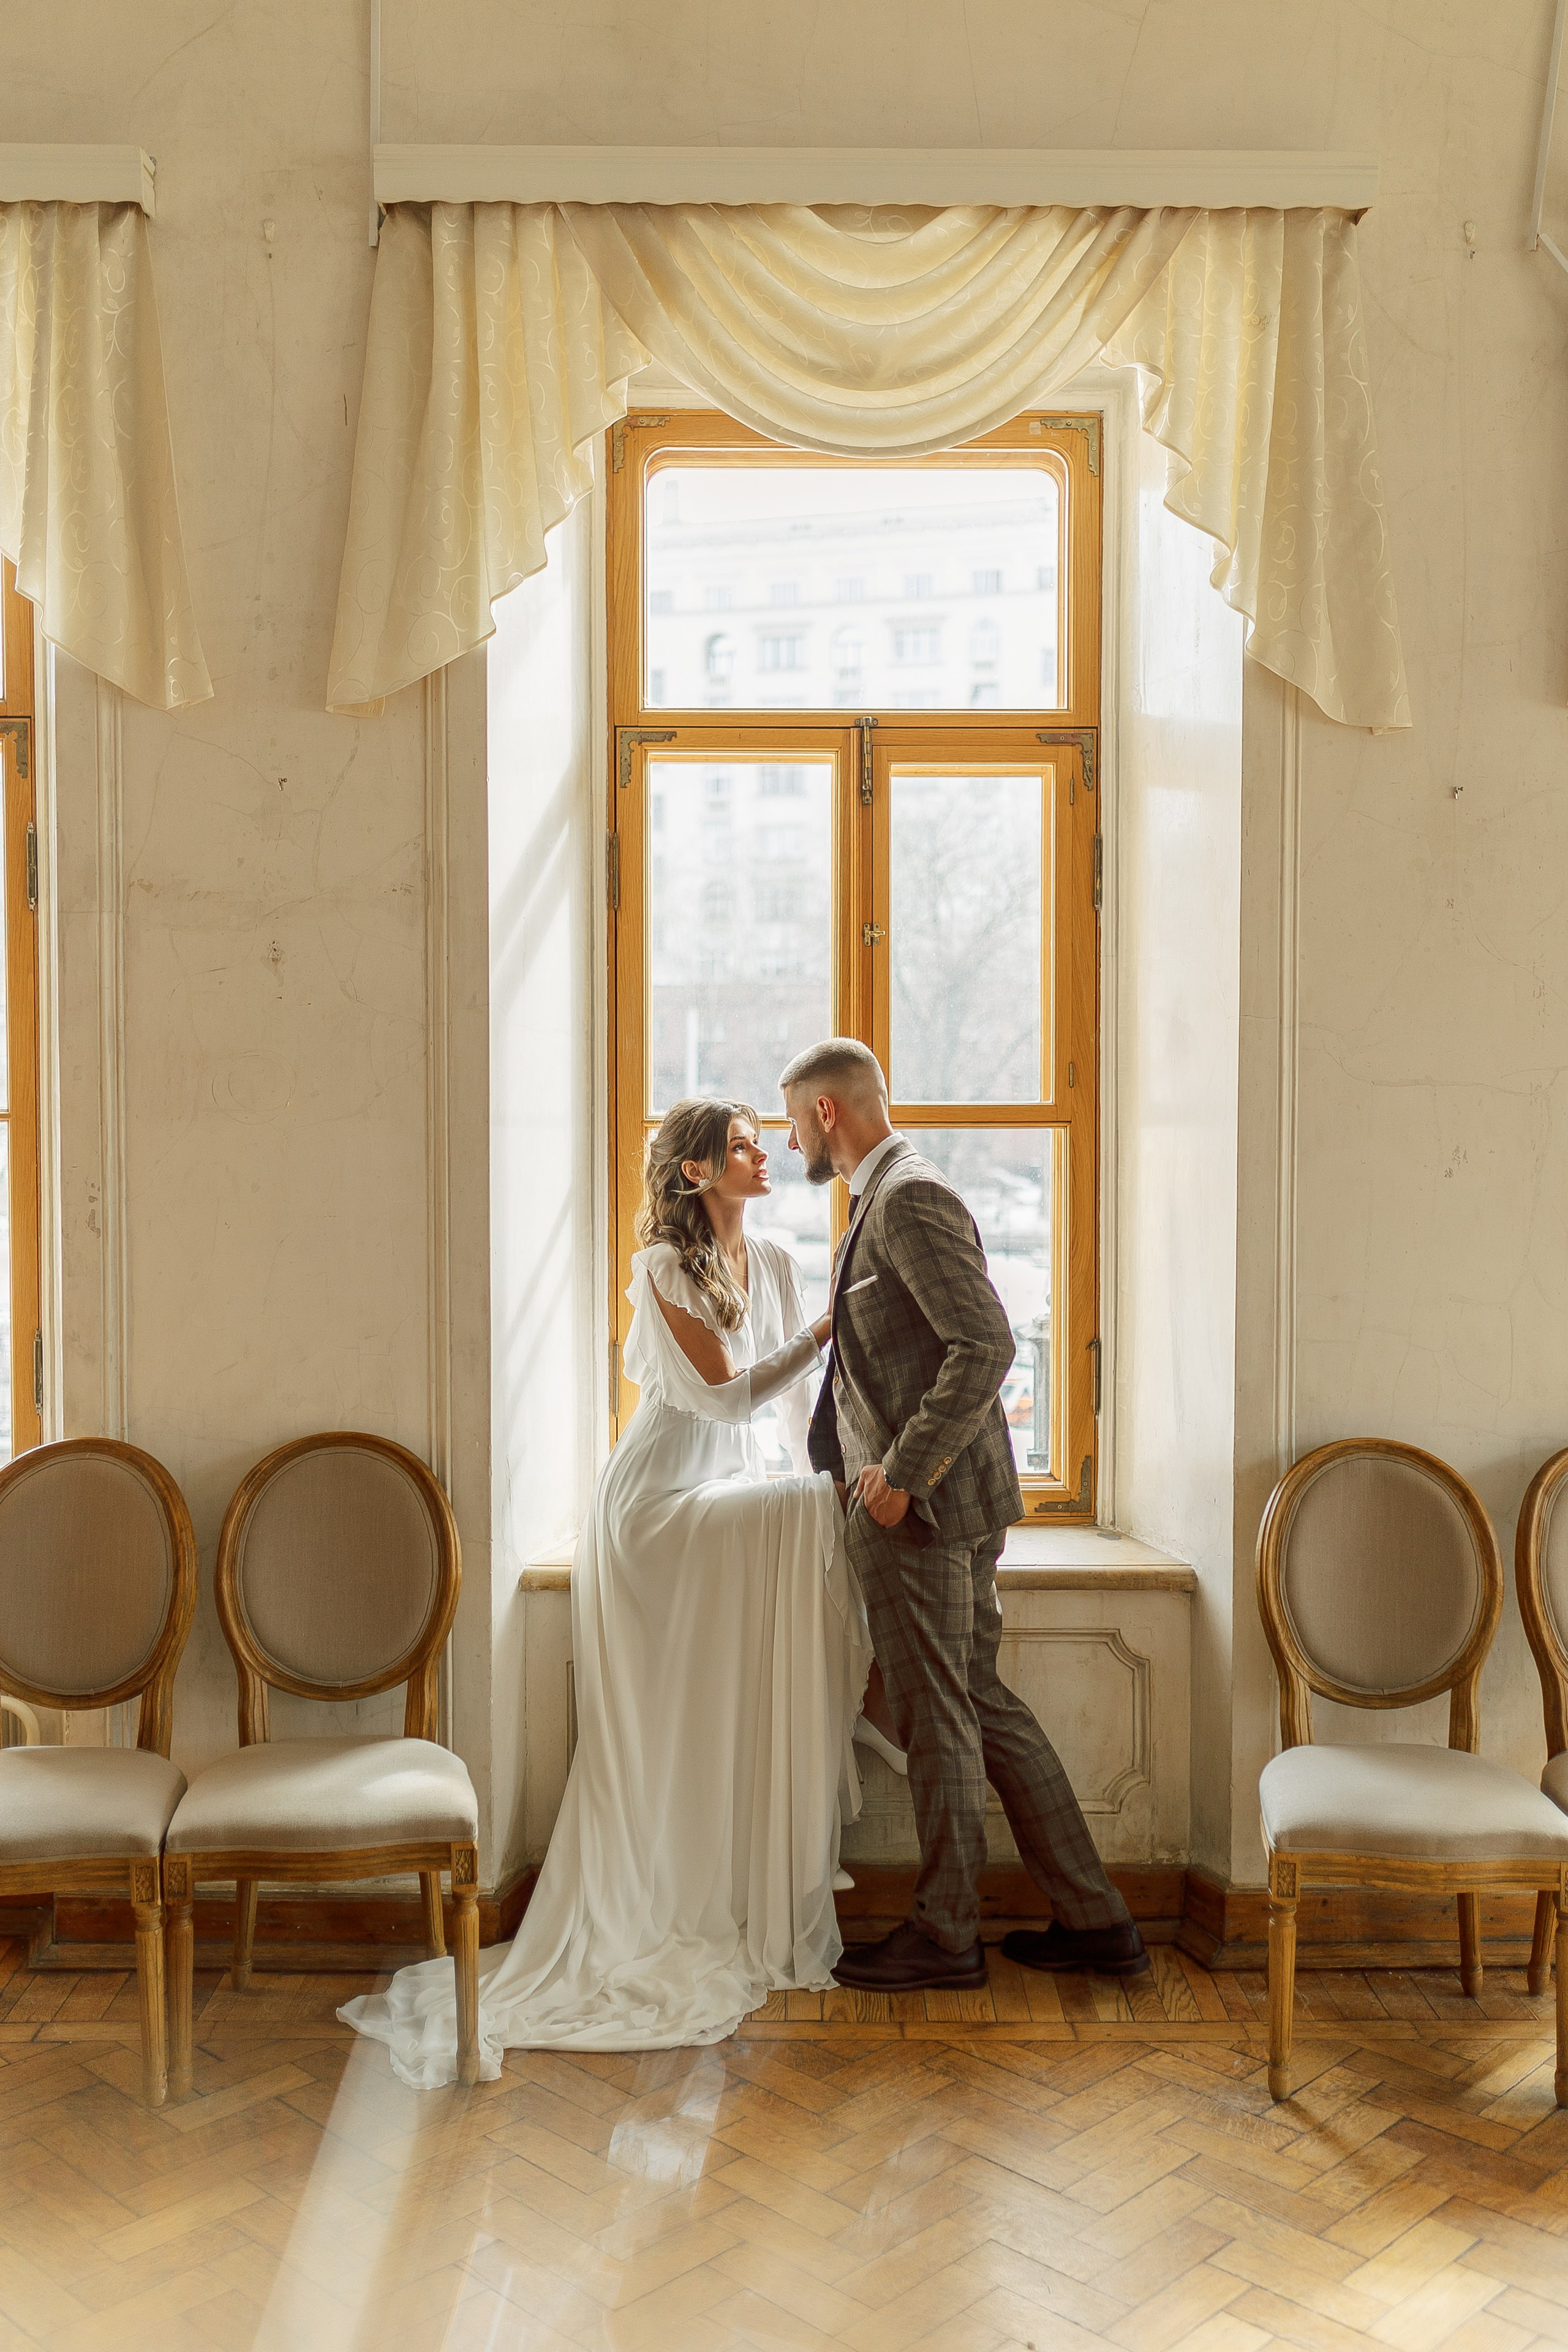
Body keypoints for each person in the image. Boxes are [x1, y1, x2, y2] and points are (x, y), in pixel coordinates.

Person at [339, 1098, 872, 2084]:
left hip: (722, 1492)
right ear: (694, 1173)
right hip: (656, 1508)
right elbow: (724, 1396)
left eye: (762, 1143)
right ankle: (642, 1907)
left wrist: (834, 1475)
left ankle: (727, 1884)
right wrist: (823, 1335)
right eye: (741, 1147)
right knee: (777, 1555)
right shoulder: (666, 1266)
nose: (763, 1156)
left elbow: (798, 1408)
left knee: (808, 1525)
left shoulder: (777, 1263)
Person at [779, 1038, 1148, 1991]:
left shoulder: (908, 1197)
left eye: (792, 1120)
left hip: (925, 1514)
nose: (789, 1142)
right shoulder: (883, 1195)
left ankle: (947, 1936)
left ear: (827, 1111)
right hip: (931, 1507)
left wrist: (901, 1476)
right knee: (976, 1702)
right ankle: (1098, 1922)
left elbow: (984, 1345)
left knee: (941, 1717)